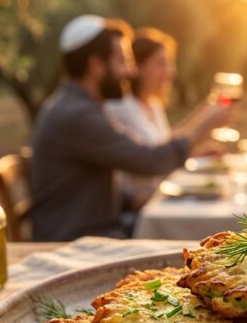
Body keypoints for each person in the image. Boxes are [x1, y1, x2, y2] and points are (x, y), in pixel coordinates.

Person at [29, 15, 230, 241]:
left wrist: (130, 199)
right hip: (75, 240)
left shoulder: (78, 106)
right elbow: (150, 160)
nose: (130, 72)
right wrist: (205, 121)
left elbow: (81, 186)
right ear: (96, 65)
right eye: (122, 61)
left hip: (95, 232)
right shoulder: (77, 114)